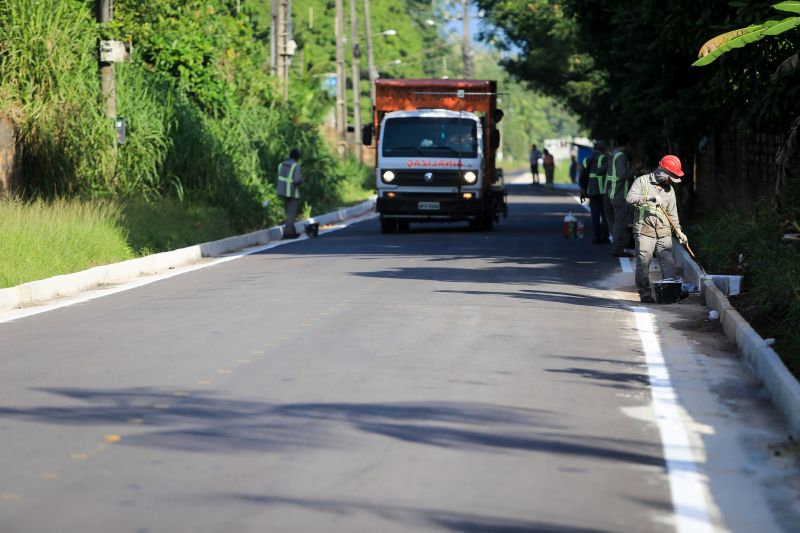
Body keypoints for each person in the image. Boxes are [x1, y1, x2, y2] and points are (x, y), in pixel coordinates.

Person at [626, 155, 689, 303]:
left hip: (664, 231)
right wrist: (649, 198)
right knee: (643, 263)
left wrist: (679, 231)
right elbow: (629, 199)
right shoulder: (641, 181)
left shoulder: (670, 190)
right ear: (663, 173)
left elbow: (673, 213)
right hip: (644, 230)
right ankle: (645, 293)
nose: (672, 180)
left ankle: (671, 291)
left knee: (668, 263)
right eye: (671, 177)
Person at [604, 134, 639, 257]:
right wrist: (635, 169)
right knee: (620, 222)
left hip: (610, 192)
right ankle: (617, 249)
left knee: (615, 222)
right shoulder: (621, 156)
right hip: (619, 194)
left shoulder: (613, 154)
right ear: (627, 144)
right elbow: (622, 174)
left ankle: (617, 246)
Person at [579, 141, 609, 244]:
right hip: (603, 191)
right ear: (602, 150)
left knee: (595, 215)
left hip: (592, 191)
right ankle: (605, 237)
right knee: (605, 215)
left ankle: (596, 237)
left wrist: (583, 190)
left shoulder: (587, 160)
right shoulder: (605, 158)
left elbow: (582, 177)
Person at [276, 148, 305, 239]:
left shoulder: (281, 164)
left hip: (282, 192)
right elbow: (296, 180)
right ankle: (287, 232)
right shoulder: (296, 166)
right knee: (291, 214)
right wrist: (302, 180)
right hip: (292, 192)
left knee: (288, 212)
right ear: (297, 157)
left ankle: (292, 231)